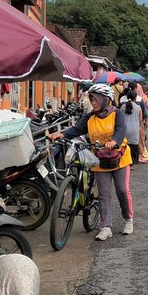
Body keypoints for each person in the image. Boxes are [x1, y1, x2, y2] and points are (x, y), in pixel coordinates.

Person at [48, 83, 133, 240]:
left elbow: (120, 130)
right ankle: (105, 227)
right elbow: (76, 130)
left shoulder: (117, 114)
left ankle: (128, 220)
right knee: (104, 194)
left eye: (96, 99)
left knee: (122, 190)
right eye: (92, 99)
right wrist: (61, 135)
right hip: (100, 160)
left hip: (120, 158)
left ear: (106, 100)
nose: (93, 103)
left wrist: (114, 141)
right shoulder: (89, 117)